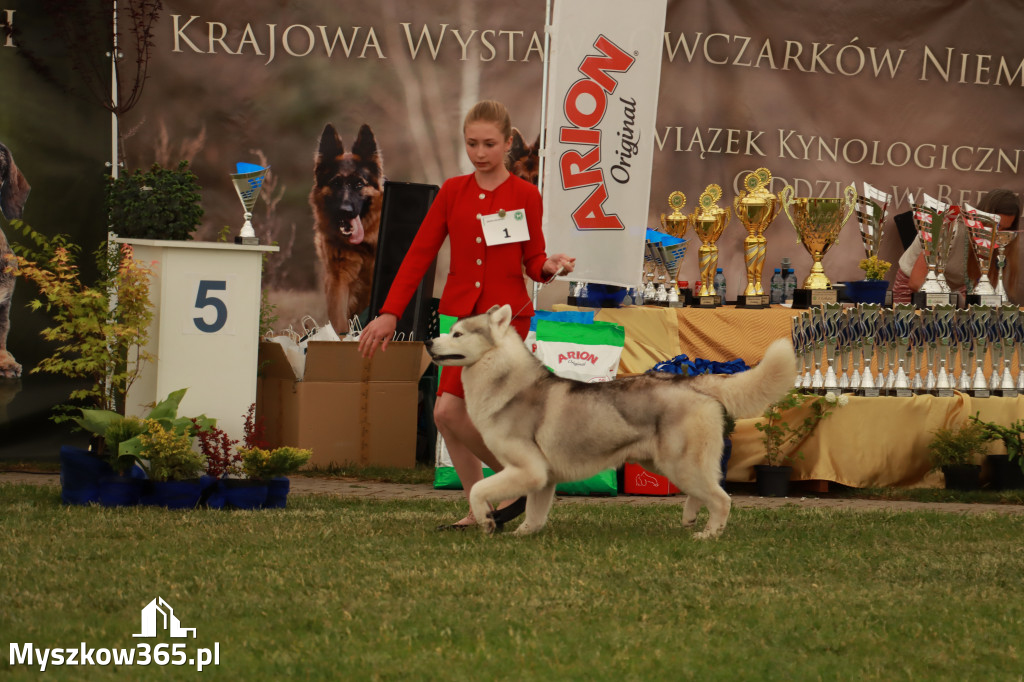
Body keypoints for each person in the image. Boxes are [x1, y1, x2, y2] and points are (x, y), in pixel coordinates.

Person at [358, 100, 576, 530]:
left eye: (489, 144)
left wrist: (549, 268)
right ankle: (492, 498)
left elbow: (531, 261)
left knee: (450, 414)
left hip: (502, 324)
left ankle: (518, 481)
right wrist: (389, 313)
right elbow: (419, 256)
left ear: (509, 142)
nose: (479, 152)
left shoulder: (526, 195)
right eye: (472, 143)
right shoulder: (451, 192)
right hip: (460, 321)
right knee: (447, 415)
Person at [892, 189, 1021, 305]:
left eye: (1006, 229)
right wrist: (949, 302)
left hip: (952, 295)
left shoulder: (999, 243)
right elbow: (915, 282)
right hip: (912, 292)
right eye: (995, 226)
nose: (997, 234)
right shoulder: (950, 226)